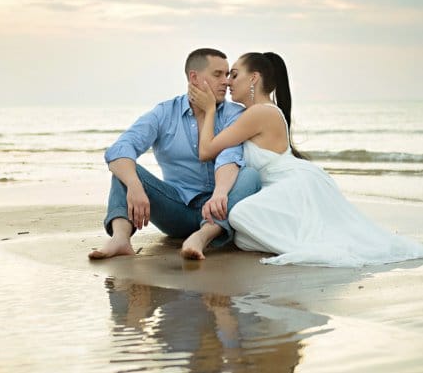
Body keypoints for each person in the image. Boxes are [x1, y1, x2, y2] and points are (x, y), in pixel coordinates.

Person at [184, 51, 423, 267]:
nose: (228, 82)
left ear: (254, 78)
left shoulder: (260, 112)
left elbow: (207, 150)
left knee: (240, 217)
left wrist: (210, 109)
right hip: (281, 185)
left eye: (234, 75)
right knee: (243, 235)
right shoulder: (255, 112)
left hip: (292, 184)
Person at [88, 48, 261, 260]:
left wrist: (219, 194)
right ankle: (120, 238)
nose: (225, 81)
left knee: (250, 175)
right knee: (125, 169)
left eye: (227, 75)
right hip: (176, 208)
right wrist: (134, 185)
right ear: (194, 77)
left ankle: (202, 237)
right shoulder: (164, 113)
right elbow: (121, 148)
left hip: (219, 209)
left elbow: (230, 156)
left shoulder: (235, 114)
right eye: (218, 74)